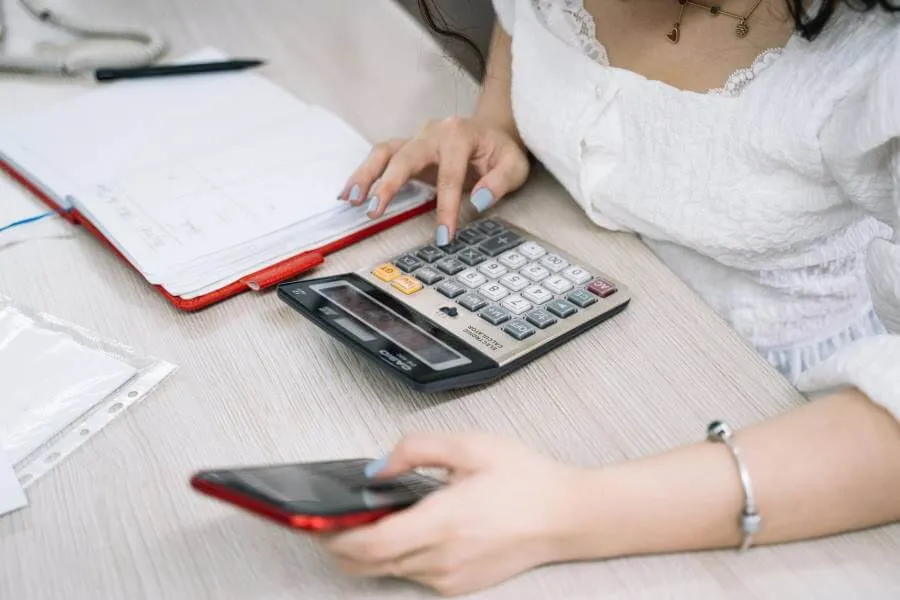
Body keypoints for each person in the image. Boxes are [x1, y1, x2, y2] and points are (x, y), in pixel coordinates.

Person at [330, 0, 900, 595]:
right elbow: (522, 32)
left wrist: (564, 513)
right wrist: (495, 128)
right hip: (600, 344)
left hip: (790, 421)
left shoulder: (880, 58)